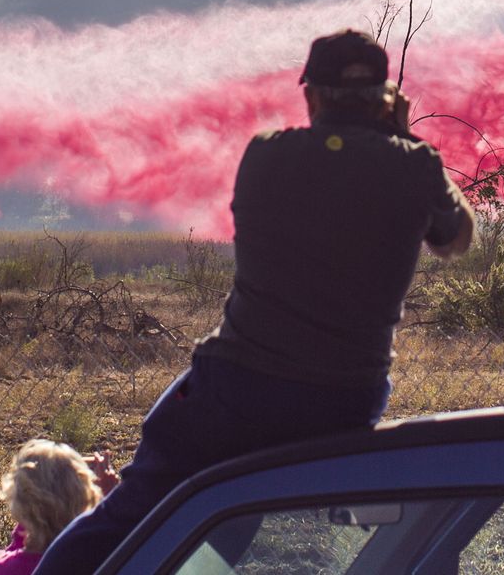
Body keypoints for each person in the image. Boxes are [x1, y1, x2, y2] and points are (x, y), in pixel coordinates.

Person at [36, 29, 476, 574]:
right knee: (226, 531)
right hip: (345, 402)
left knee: (134, 514)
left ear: (311, 96)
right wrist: (409, 142)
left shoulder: (264, 155)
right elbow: (455, 240)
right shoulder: (415, 165)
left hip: (239, 391)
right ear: (387, 99)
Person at [0, 440, 117, 575]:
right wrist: (109, 500)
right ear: (85, 496)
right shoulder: (99, 558)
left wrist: (33, 505)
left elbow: (23, 547)